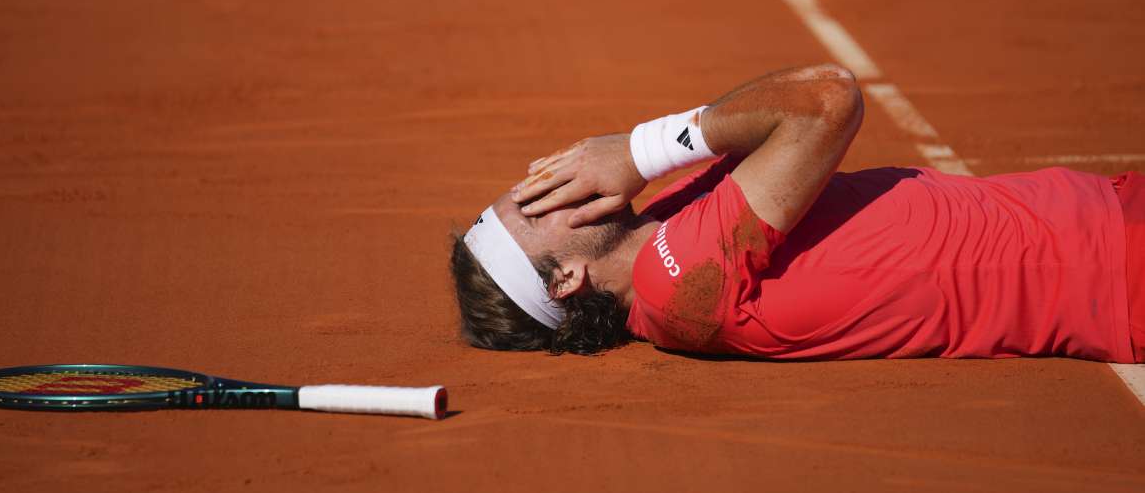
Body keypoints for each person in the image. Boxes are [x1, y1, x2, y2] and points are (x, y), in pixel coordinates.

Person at [449, 64, 1144, 362]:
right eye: (534, 205)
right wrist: (641, 148)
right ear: (568, 279)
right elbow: (826, 100)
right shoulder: (678, 283)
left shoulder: (664, 227)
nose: (549, 180)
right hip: (1115, 269)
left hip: (1103, 217)